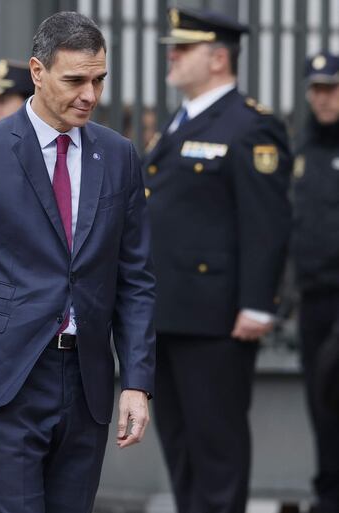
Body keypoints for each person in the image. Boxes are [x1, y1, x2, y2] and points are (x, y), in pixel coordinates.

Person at [0, 12, 156, 513]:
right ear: (37, 71)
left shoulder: (118, 156)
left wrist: (137, 382)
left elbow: (135, 279)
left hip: (88, 382)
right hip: (7, 383)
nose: (90, 95)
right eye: (75, 80)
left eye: (99, 80)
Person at [143, 8, 292, 513]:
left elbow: (266, 222)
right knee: (181, 447)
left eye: (183, 48)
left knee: (216, 448)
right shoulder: (181, 120)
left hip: (216, 319)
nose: (172, 54)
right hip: (170, 313)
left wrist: (257, 303)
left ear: (218, 58)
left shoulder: (249, 125)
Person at [291, 52, 339, 513]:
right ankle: (328, 494)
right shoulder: (302, 148)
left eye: (332, 88)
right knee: (320, 402)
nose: (323, 98)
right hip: (313, 297)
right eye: (317, 89)